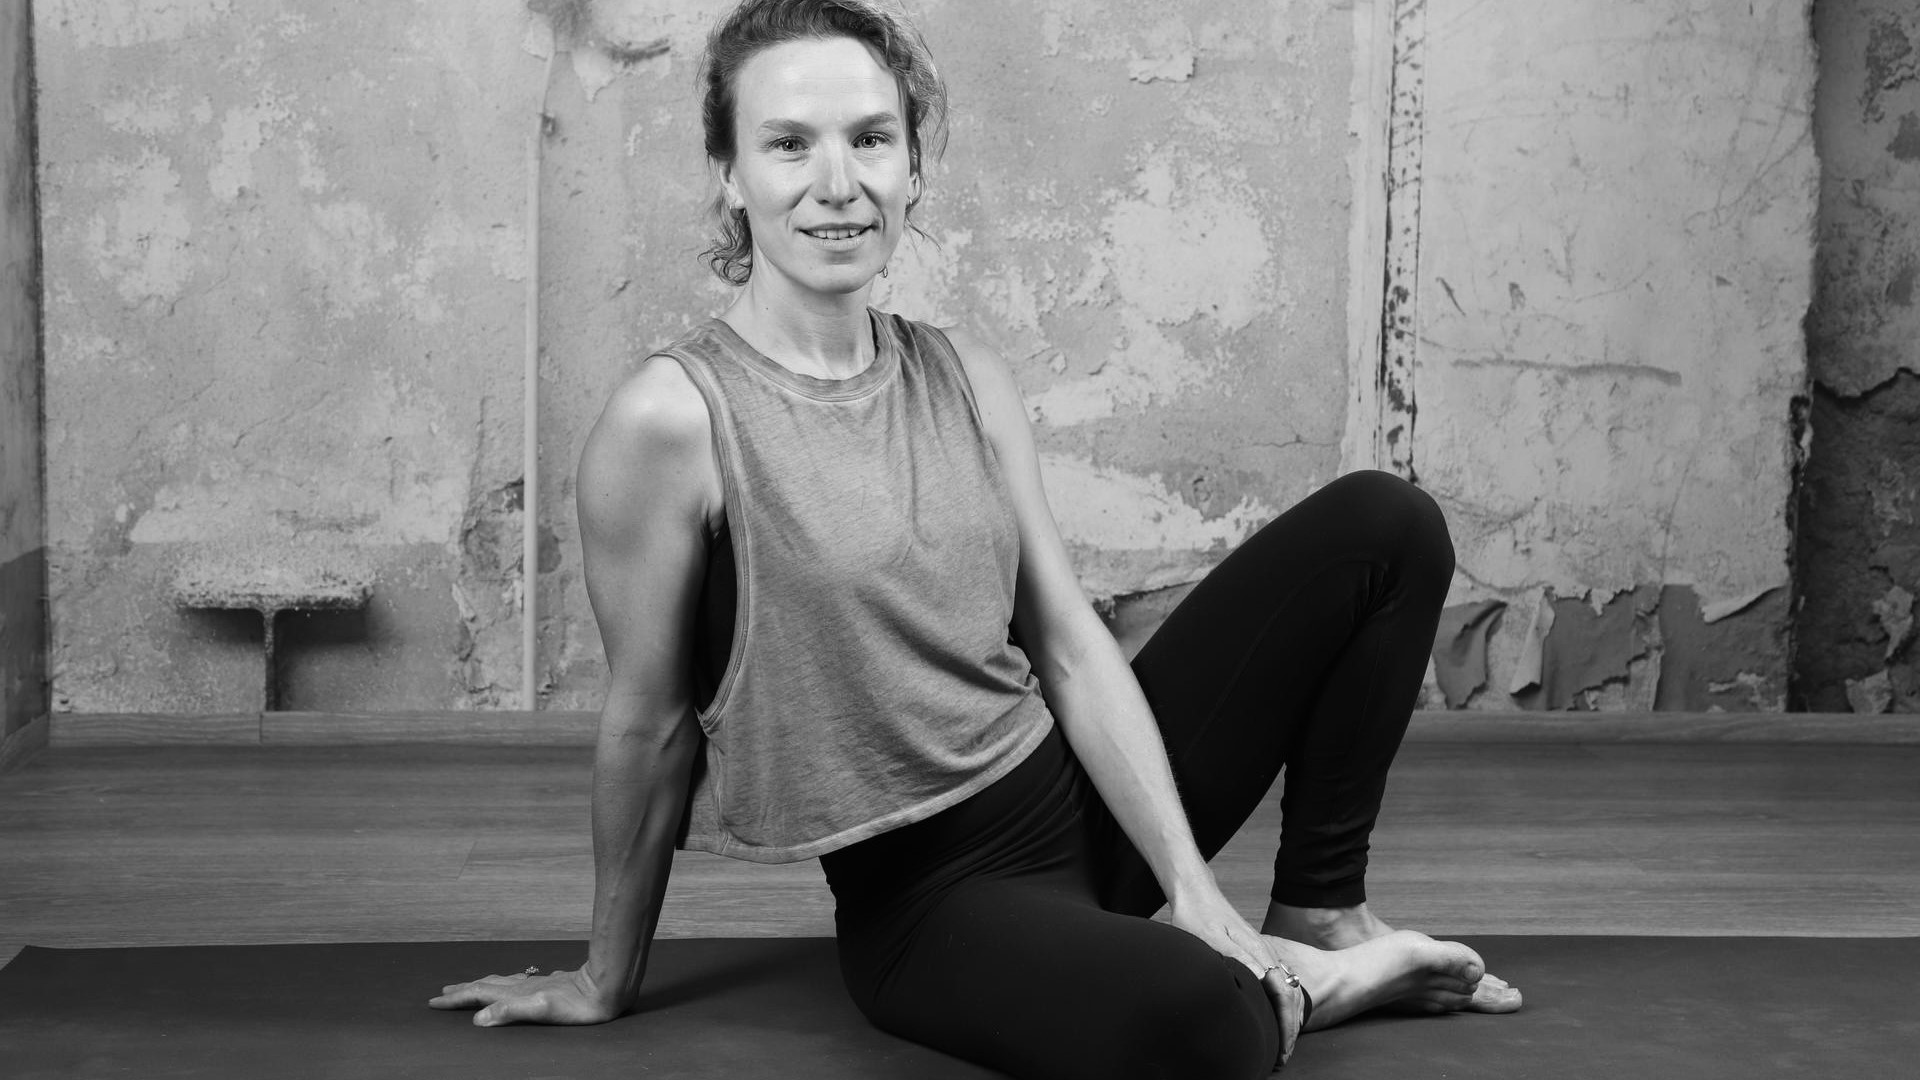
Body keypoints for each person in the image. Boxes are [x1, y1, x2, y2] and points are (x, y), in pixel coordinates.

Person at [432, 1, 1521, 1075]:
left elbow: (1068, 646)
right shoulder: (671, 420)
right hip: (934, 905)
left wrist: (1192, 889)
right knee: (1205, 1024)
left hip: (1074, 794)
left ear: (912, 165)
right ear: (729, 173)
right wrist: (602, 978)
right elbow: (651, 727)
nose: (837, 183)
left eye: (870, 138)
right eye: (788, 145)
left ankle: (1322, 919)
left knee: (1386, 524)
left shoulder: (965, 375)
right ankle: (1295, 984)